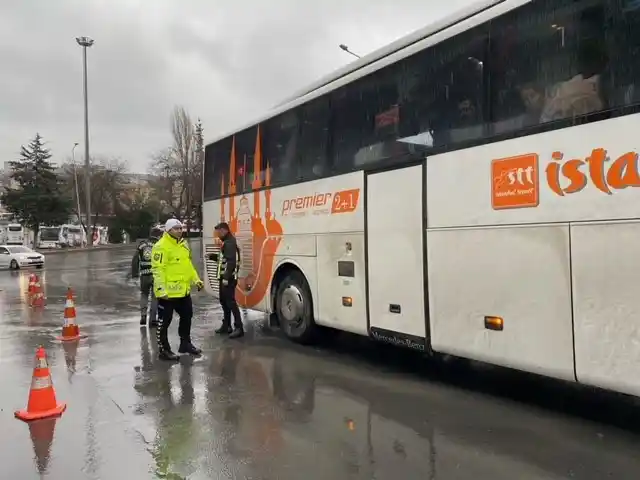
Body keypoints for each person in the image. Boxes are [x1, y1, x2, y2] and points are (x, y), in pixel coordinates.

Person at [152, 218, 204, 361]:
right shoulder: (160, 246)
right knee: (164, 322)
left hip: (183, 292)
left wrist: (196, 280)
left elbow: (188, 266)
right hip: (167, 294)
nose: (180, 231)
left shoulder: (184, 245)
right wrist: (161, 290)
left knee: (187, 317)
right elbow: (157, 270)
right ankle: (164, 350)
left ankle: (185, 344)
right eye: (176, 228)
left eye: (181, 228)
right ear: (168, 230)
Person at [214, 222, 244, 339]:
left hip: (229, 279)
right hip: (224, 277)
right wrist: (213, 257)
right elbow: (225, 259)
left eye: (219, 231)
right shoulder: (227, 242)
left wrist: (226, 278)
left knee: (230, 302)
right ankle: (226, 325)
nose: (218, 234)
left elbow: (231, 262)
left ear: (224, 230)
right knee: (224, 301)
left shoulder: (230, 243)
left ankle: (239, 327)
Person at [131, 225, 163, 327]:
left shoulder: (142, 245)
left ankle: (143, 316)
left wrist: (134, 274)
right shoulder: (159, 245)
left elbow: (135, 259)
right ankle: (153, 319)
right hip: (156, 275)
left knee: (144, 295)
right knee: (155, 296)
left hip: (144, 275)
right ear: (158, 235)